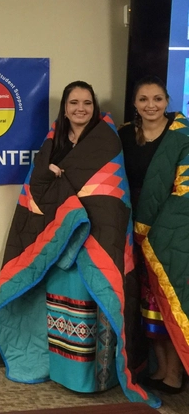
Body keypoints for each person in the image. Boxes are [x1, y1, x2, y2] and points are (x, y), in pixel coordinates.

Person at [0, 81, 159, 407]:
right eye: (74, 102)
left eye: (86, 102)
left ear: (94, 106)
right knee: (60, 308)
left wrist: (63, 184)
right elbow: (36, 185)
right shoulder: (53, 140)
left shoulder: (105, 140)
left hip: (96, 244)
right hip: (60, 247)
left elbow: (112, 195)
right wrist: (51, 176)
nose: (80, 109)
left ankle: (94, 381)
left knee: (93, 309)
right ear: (65, 107)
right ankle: (63, 374)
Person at [119, 75, 189, 394]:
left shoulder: (183, 137)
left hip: (170, 232)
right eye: (144, 99)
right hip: (134, 230)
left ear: (167, 101)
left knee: (169, 300)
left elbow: (184, 191)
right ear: (135, 104)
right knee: (150, 303)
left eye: (157, 99)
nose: (151, 105)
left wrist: (157, 231)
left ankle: (174, 373)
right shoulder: (123, 135)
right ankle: (160, 368)